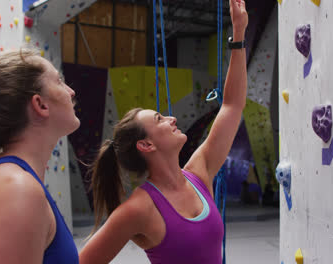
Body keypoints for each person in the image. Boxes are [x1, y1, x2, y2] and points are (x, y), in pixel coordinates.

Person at [79, 1, 248, 263]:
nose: (172, 118)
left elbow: (232, 105)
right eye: (159, 119)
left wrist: (238, 35)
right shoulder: (139, 208)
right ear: (146, 145)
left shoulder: (199, 174)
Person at [0, 49, 80, 264]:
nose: (71, 92)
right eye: (59, 82)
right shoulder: (15, 190)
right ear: (40, 105)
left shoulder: (17, 184)